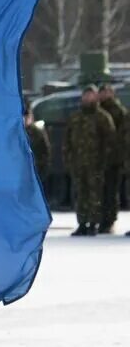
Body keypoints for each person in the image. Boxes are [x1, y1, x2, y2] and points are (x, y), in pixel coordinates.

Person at [63, 85, 116, 236]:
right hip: (78, 164)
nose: (88, 98)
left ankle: (93, 223)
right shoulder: (75, 118)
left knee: (95, 194)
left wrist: (103, 161)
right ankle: (82, 223)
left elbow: (110, 141)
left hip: (96, 165)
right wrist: (68, 160)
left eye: (91, 95)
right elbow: (67, 141)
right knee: (80, 194)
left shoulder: (103, 117)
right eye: (86, 95)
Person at [96, 82, 126, 233]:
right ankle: (101, 219)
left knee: (111, 191)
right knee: (100, 191)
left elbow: (121, 135)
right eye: (101, 92)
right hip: (98, 158)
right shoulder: (97, 110)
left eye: (106, 92)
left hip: (114, 159)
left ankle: (109, 220)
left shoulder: (118, 111)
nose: (103, 95)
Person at [23, 99, 50, 186]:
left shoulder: (37, 132)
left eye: (27, 115)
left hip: (35, 172)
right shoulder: (14, 133)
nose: (25, 119)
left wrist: (43, 169)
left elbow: (45, 151)